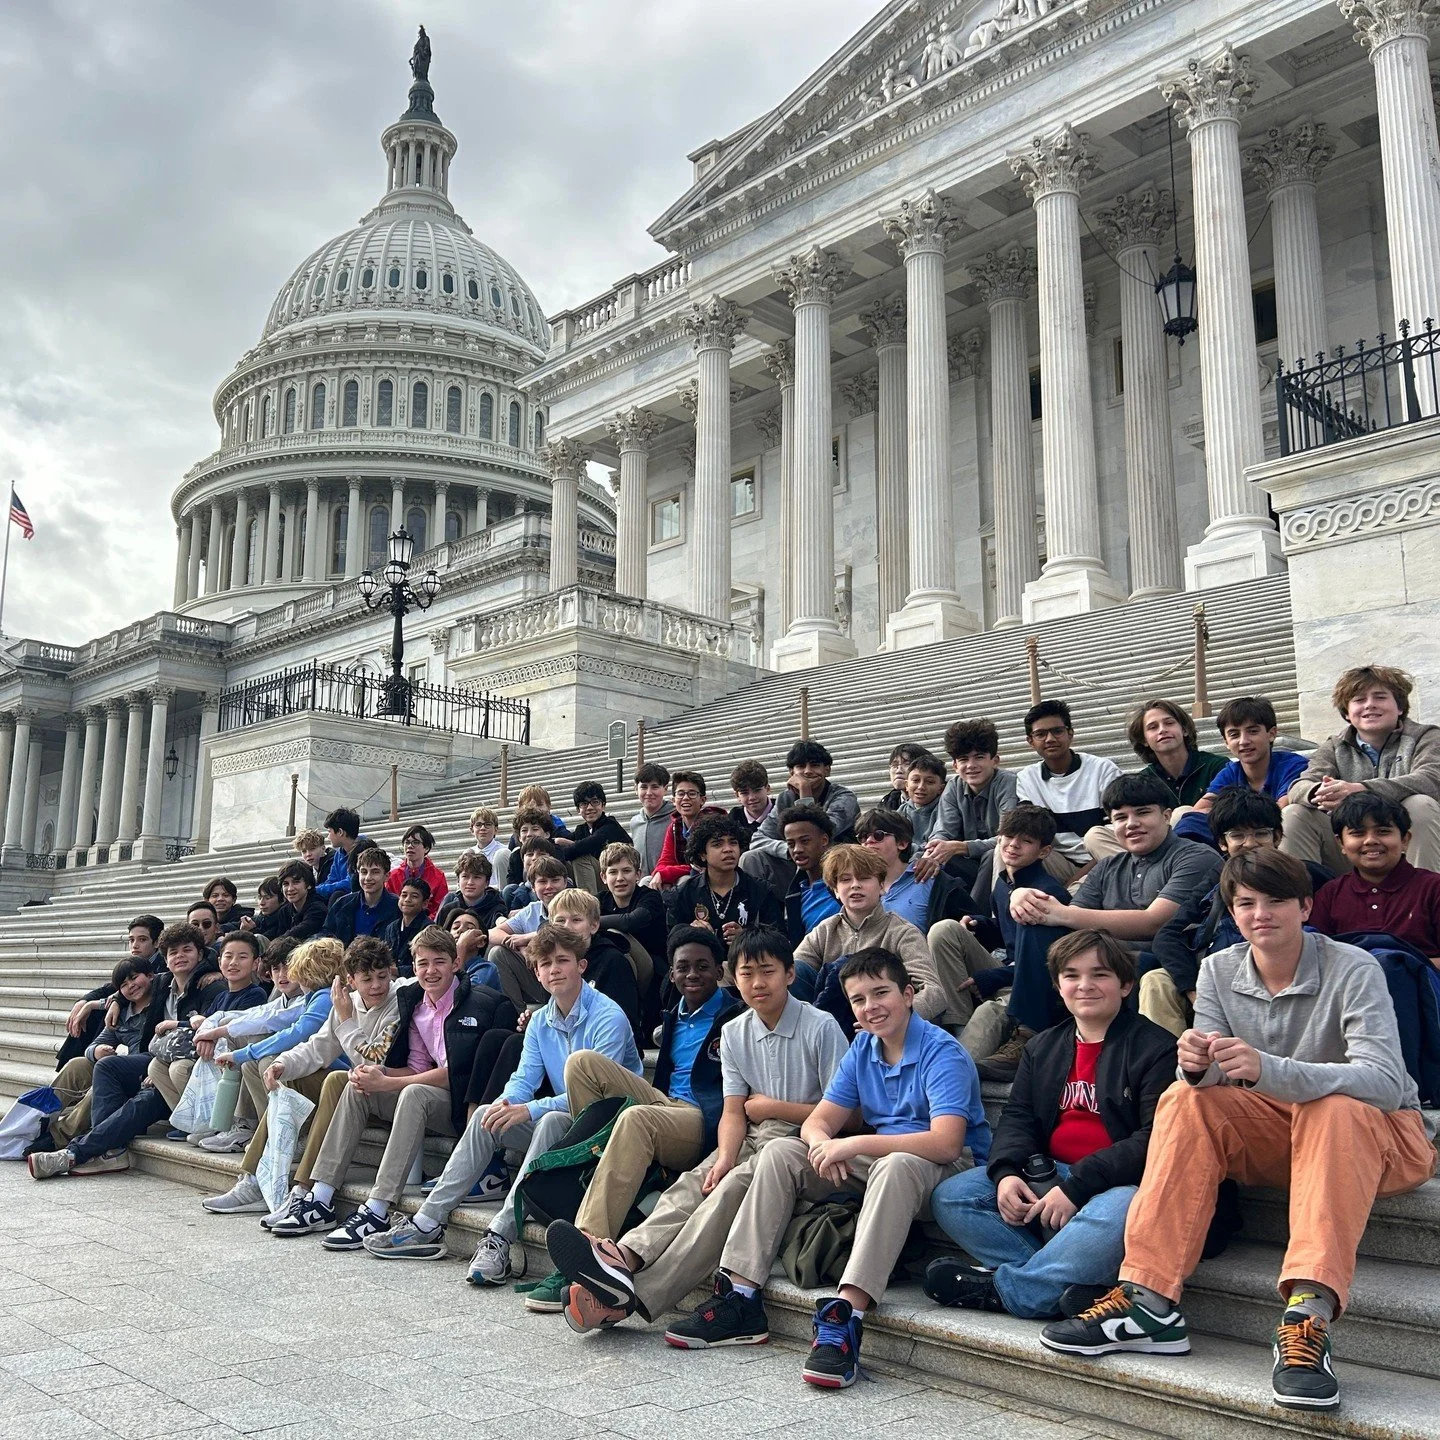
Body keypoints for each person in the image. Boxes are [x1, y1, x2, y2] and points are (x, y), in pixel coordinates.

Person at [1041, 850, 1439, 1411]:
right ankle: (1149, 1300)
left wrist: (1268, 1068)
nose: (1261, 914)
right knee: (1182, 1098)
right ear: (1232, 911)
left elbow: (1379, 1080)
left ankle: (1307, 1318)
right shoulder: (1218, 969)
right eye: (1246, 903)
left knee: (1335, 1106)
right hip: (1284, 1135)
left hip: (1384, 1139)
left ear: (1306, 906)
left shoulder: (1354, 967)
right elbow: (1213, 1077)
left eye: (1276, 900)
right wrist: (1195, 1066)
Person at [665, 947, 988, 1388]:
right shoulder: (863, 1049)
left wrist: (850, 1143)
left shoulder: (941, 1052)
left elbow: (946, 1143)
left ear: (909, 994)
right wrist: (821, 1146)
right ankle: (741, 1298)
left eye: (881, 993)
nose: (871, 1007)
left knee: (895, 1166)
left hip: (942, 1168)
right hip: (877, 1157)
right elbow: (819, 1121)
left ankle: (845, 1317)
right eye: (859, 1000)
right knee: (780, 1153)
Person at [543, 927, 849, 1334]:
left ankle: (633, 1298)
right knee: (695, 1183)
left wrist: (770, 1107)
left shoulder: (821, 1026)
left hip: (801, 1143)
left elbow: (847, 1113)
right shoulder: (737, 1031)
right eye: (746, 974)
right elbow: (733, 1113)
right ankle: (623, 1259)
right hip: (751, 1135)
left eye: (768, 972)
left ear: (790, 974)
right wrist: (722, 1157)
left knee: (727, 1192)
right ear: (733, 979)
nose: (757, 984)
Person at [361, 921, 642, 1280]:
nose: (554, 970)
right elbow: (523, 1079)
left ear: (581, 966)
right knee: (486, 1115)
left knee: (551, 1120)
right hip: (565, 1122)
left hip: (608, 1129)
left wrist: (530, 1108)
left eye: (563, 961)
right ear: (537, 973)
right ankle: (427, 1222)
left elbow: (594, 1100)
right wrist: (506, 1104)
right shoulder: (541, 1020)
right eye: (545, 964)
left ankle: (499, 1237)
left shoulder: (608, 1017)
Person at [924, 930, 1177, 1318]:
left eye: (1100, 975)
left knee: (1124, 1206)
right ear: (1059, 986)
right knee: (953, 1195)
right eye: (1072, 975)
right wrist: (1008, 1172)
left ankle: (1019, 1292)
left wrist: (1077, 1187)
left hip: (1116, 1184)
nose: (1085, 985)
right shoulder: (1043, 1046)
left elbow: (1153, 1140)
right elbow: (1018, 1117)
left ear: (1126, 985)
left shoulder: (1156, 1047)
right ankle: (1065, 1281)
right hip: (1049, 1173)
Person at [519, 927, 740, 1310]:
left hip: (702, 1120)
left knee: (636, 1120)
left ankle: (586, 1249)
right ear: (670, 975)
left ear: (719, 970)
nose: (692, 975)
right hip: (665, 1102)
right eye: (683, 968)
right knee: (581, 1064)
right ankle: (589, 1183)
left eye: (703, 967)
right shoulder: (675, 1016)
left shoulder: (734, 1015)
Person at [269, 926, 516, 1247]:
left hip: (463, 1108)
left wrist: (386, 1078)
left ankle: (378, 1207)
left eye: (439, 962)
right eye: (423, 963)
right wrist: (377, 1078)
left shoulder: (481, 1003)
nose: (430, 971)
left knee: (410, 1090)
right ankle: (321, 1196)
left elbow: (456, 1073)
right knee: (356, 1085)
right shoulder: (413, 1004)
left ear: (456, 963)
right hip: (425, 1095)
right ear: (413, 968)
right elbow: (401, 1063)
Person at [992, 775, 1223, 1079]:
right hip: (1106, 961)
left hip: (1162, 962)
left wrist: (1059, 914)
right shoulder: (1109, 866)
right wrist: (1021, 895)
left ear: (1166, 815)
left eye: (1142, 813)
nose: (1131, 824)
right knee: (1039, 925)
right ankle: (1028, 1033)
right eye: (1120, 817)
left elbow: (1155, 922)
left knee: (1076, 934)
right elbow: (1069, 921)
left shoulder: (1194, 857)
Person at [206, 937, 404, 1222]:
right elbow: (317, 1046)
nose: (376, 986)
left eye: (382, 977)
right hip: (357, 1094)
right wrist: (282, 1064)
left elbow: (372, 1063)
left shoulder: (398, 999)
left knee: (339, 1080)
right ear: (350, 980)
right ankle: (251, 1180)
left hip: (386, 1094)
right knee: (287, 1077)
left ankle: (303, 1191)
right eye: (367, 979)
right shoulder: (345, 1001)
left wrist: (346, 1020)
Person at [30, 923, 224, 1180]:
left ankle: (76, 1153)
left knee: (145, 1098)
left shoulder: (207, 986)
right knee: (106, 1066)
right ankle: (106, 1148)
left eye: (187, 950)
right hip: (155, 1059)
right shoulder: (163, 983)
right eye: (173, 952)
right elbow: (130, 986)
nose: (179, 956)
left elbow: (207, 1032)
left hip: (189, 1069)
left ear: (200, 954)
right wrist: (111, 1002)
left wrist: (213, 967)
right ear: (163, 961)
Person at [1145, 789, 1329, 1037]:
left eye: (1260, 833)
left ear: (1277, 836)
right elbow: (1168, 935)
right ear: (1222, 843)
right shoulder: (1215, 880)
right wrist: (1193, 990)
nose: (1250, 843)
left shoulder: (1307, 875)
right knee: (1156, 981)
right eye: (1237, 835)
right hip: (1217, 971)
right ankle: (1170, 1070)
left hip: (1287, 972)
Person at [795, 844, 971, 1033]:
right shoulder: (825, 930)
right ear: (835, 890)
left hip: (888, 1026)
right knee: (794, 970)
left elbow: (934, 992)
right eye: (845, 880)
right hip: (831, 1026)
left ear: (881, 886)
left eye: (864, 878)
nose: (855, 885)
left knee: (845, 967)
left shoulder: (902, 932)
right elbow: (792, 972)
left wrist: (892, 1018)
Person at [1283, 665, 1440, 873]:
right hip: (1352, 849)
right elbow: (1299, 786)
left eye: (1380, 697)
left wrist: (1360, 789)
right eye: (1359, 700)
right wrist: (1319, 793)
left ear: (1400, 707)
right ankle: (1300, 900)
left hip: (1408, 844)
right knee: (1294, 813)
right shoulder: (1334, 746)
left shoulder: (1426, 737)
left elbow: (1430, 779)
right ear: (1347, 712)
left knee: (1420, 804)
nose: (1370, 705)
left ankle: (1426, 899)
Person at [856, 806, 1000, 1031]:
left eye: (878, 836)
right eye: (862, 838)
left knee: (941, 931)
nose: (868, 843)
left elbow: (979, 926)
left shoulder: (931, 878)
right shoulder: (857, 890)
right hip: (878, 978)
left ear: (902, 843)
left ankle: (956, 1030)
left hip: (927, 975)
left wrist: (972, 922)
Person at [201, 937, 342, 1155]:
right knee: (252, 1064)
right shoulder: (315, 997)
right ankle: (262, 1130)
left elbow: (298, 1033)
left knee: (270, 1063)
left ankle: (288, 1134)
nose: (287, 974)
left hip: (334, 1069)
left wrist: (242, 1053)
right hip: (318, 1062)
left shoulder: (325, 998)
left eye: (293, 967)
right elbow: (256, 1016)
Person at [1308, 792, 1440, 958]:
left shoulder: (1433, 889)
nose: (1370, 841)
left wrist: (1402, 967)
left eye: (1383, 831)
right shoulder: (1329, 895)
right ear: (1341, 843)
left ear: (1405, 839)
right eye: (1358, 833)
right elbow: (1317, 959)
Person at [1178, 697, 1308, 842]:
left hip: (1279, 843)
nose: (1243, 741)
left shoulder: (1293, 765)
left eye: (1252, 731)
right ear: (1226, 742)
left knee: (1290, 814)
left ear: (1271, 734)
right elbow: (1199, 810)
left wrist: (1229, 817)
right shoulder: (1230, 772)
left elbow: (1280, 810)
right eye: (1234, 735)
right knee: (1183, 812)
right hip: (1240, 844)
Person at [1013, 700, 1120, 878]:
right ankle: (1005, 901)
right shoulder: (1027, 778)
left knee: (1095, 836)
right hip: (1058, 862)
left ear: (1070, 733)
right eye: (1040, 734)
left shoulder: (1103, 770)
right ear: (1030, 741)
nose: (1050, 739)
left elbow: (1115, 836)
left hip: (1104, 859)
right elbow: (1029, 835)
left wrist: (1075, 882)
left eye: (1057, 731)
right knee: (1007, 846)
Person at [742, 740, 861, 898]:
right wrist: (788, 850)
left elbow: (820, 833)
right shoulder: (786, 798)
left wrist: (805, 792)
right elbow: (758, 838)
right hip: (797, 868)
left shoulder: (843, 797)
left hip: (836, 870)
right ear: (791, 772)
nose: (807, 771)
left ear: (827, 770)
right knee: (750, 858)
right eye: (800, 767)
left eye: (814, 765)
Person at [920, 719, 1020, 895]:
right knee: (934, 861)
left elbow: (1007, 839)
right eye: (963, 759)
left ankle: (977, 919)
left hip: (1007, 862)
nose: (971, 765)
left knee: (992, 855)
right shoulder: (953, 786)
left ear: (995, 760)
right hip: (972, 863)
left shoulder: (1009, 783)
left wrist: (960, 847)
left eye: (979, 757)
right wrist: (934, 850)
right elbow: (944, 830)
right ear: (955, 765)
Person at [58, 914, 165, 1068]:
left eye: (142, 940)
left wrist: (116, 1000)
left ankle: (92, 1061)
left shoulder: (164, 965)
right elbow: (111, 987)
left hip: (148, 1029)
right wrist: (85, 1002)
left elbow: (130, 988)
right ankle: (79, 1061)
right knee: (90, 1014)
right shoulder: (132, 965)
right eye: (131, 940)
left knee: (105, 1013)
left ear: (156, 942)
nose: (135, 945)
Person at [666, 814, 784, 939]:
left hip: (748, 958)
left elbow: (779, 939)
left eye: (733, 843)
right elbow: (672, 942)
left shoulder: (761, 891)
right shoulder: (683, 894)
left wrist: (747, 938)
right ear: (702, 854)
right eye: (717, 844)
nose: (728, 849)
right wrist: (691, 934)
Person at [779, 806, 840, 954]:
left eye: (805, 841)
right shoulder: (794, 894)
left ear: (824, 840)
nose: (797, 850)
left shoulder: (848, 883)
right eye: (791, 844)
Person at [648, 772, 724, 888]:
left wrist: (665, 873)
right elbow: (664, 861)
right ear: (673, 800)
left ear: (702, 800)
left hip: (709, 878)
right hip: (684, 875)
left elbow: (701, 865)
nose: (685, 798)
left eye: (692, 794)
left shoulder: (712, 823)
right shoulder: (674, 827)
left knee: (685, 880)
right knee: (647, 881)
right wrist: (660, 873)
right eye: (680, 794)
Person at [554, 782, 631, 895]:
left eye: (595, 802)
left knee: (581, 857)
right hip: (602, 878)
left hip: (618, 877)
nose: (589, 808)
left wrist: (570, 844)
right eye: (584, 804)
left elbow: (581, 847)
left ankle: (587, 906)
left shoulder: (610, 825)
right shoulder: (581, 829)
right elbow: (565, 848)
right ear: (578, 809)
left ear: (603, 805)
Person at [322, 846, 400, 945]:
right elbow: (326, 935)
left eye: (375, 872)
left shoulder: (397, 907)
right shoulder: (342, 904)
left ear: (386, 876)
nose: (368, 878)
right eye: (364, 872)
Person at [384, 824, 448, 920]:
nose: (410, 846)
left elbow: (440, 909)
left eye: (416, 842)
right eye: (407, 842)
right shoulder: (393, 876)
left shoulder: (438, 876)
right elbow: (387, 906)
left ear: (426, 848)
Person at [436, 850, 507, 933]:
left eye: (476, 877)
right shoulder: (447, 910)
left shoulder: (497, 908)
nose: (470, 882)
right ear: (458, 880)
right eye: (465, 876)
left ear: (487, 882)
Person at [314, 807, 371, 901]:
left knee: (336, 895)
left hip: (360, 899)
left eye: (329, 832)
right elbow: (331, 879)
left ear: (340, 832)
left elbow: (351, 883)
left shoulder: (365, 850)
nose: (328, 837)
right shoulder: (339, 853)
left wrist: (318, 890)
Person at [629, 762, 675, 875]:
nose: (649, 793)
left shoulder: (676, 818)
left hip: (670, 881)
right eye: (644, 787)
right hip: (645, 885)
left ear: (665, 789)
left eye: (655, 787)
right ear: (636, 789)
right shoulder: (635, 822)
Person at [381, 878, 430, 975]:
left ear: (425, 903)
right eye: (404, 895)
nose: (407, 900)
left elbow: (427, 963)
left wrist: (397, 971)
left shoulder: (428, 929)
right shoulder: (391, 927)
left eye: (414, 896)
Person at [270, 860, 328, 942]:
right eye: (285, 884)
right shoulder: (284, 911)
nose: (290, 889)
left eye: (296, 882)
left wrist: (278, 941)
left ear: (309, 885)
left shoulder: (318, 908)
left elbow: (301, 931)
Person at [900, 751, 948, 850]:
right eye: (916, 780)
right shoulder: (902, 811)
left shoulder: (946, 809)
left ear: (941, 788)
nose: (921, 787)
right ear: (907, 785)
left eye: (930, 782)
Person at [461, 805, 512, 890]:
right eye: (478, 825)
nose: (483, 828)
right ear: (472, 830)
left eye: (488, 824)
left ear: (496, 829)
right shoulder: (469, 853)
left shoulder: (504, 852)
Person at [728, 760, 774, 846]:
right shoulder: (734, 818)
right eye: (745, 793)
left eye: (757, 790)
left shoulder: (781, 808)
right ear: (737, 796)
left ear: (767, 789)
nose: (752, 798)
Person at [880, 742, 934, 810]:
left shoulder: (943, 803)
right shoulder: (886, 804)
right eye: (894, 765)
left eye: (907, 764)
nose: (899, 770)